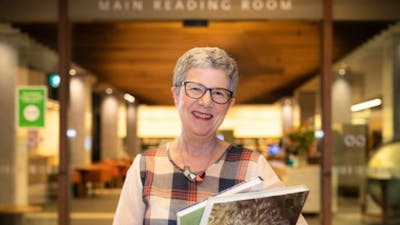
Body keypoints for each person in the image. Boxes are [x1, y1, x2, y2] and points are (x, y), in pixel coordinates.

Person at [112, 47, 308, 225]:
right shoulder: (145, 166)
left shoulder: (251, 166)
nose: (206, 102)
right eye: (196, 89)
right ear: (176, 95)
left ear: (229, 104)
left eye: (219, 93)